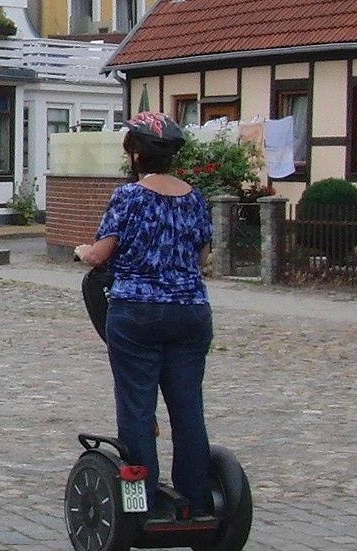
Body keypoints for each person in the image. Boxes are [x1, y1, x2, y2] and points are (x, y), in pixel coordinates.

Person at [72, 111, 215, 521]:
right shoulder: (194, 197)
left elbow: (102, 253)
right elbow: (202, 256)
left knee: (137, 407)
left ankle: (141, 503)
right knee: (187, 407)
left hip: (137, 314)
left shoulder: (129, 196)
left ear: (135, 155)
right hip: (190, 313)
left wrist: (83, 251)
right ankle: (199, 501)